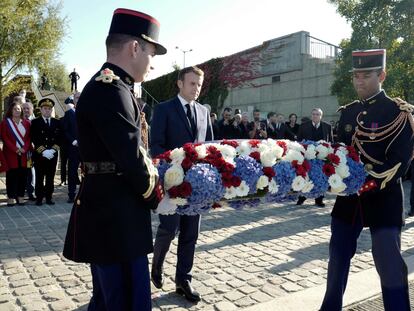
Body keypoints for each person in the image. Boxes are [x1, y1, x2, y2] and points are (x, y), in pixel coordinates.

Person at [63, 8, 166, 311]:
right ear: (135, 47)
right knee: (123, 300)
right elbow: (131, 155)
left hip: (114, 212)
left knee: (113, 297)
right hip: (115, 216)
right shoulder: (110, 89)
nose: (152, 63)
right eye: (151, 53)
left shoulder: (115, 87)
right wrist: (158, 193)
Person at [320, 49, 414, 311]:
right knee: (337, 257)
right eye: (356, 76)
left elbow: (399, 163)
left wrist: (364, 181)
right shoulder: (348, 112)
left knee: (389, 263)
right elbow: (337, 152)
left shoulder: (399, 112)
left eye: (366, 76)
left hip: (383, 197)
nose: (359, 81)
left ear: (381, 75)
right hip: (349, 200)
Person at [150, 66, 213, 303]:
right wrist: (171, 170)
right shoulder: (164, 109)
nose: (196, 89)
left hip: (197, 186)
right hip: (172, 183)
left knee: (190, 234)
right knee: (169, 229)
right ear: (180, 83)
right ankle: (157, 266)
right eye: (191, 84)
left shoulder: (204, 112)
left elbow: (210, 148)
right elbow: (156, 146)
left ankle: (183, 279)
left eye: (199, 84)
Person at [297, 108, 333, 207]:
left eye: (317, 114)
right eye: (313, 114)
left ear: (321, 116)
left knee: (321, 177)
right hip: (308, 157)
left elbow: (331, 141)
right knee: (306, 176)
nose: (315, 116)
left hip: (322, 157)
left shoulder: (327, 126)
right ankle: (302, 197)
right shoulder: (304, 126)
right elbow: (299, 141)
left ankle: (319, 199)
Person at [31, 98, 61, 206]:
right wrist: (43, 151)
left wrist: (53, 150)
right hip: (40, 155)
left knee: (50, 177)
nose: (47, 111)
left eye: (49, 109)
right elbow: (34, 138)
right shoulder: (35, 122)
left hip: (52, 155)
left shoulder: (57, 122)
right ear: (41, 110)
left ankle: (49, 197)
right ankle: (39, 198)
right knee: (39, 177)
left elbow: (60, 139)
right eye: (45, 108)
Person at [0, 102, 31, 206]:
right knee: (11, 176)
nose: (17, 111)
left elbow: (29, 138)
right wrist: (16, 149)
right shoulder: (5, 122)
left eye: (18, 109)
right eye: (15, 109)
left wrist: (24, 148)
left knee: (23, 175)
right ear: (11, 110)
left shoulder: (27, 123)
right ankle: (11, 197)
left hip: (24, 154)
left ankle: (20, 196)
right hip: (10, 153)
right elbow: (4, 138)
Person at [62, 91, 81, 203]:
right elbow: (65, 130)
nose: (78, 99)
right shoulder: (69, 113)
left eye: (80, 97)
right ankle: (71, 194)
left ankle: (86, 193)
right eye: (77, 97)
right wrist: (73, 141)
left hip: (86, 148)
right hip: (74, 147)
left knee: (88, 171)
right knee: (72, 171)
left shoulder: (87, 112)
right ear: (73, 100)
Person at [22, 100, 36, 201]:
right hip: (21, 151)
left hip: (32, 152)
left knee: (31, 170)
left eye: (28, 108)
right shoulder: (18, 121)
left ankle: (31, 192)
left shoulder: (36, 121)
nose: (26, 110)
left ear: (32, 110)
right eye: (24, 108)